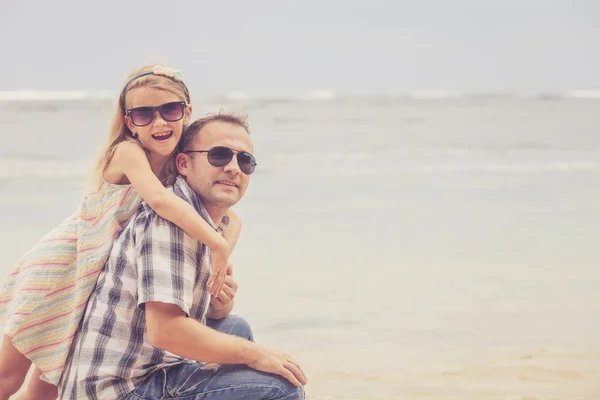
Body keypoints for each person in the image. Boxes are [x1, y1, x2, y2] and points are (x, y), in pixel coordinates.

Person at [0, 65, 235, 400]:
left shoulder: (176, 164)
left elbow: (229, 215)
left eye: (169, 110)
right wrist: (215, 244)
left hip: (96, 282)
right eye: (143, 114)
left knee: (48, 388)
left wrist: (220, 262)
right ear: (129, 122)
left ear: (187, 112)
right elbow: (158, 200)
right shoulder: (128, 153)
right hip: (63, 269)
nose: (159, 123)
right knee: (7, 378)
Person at [59, 113, 307, 400]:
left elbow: (197, 315)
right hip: (120, 389)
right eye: (219, 155)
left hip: (149, 365)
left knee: (235, 328)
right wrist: (255, 354)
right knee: (280, 388)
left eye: (245, 161)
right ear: (183, 164)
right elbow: (165, 331)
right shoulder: (169, 222)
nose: (233, 168)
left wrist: (218, 304)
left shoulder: (210, 222)